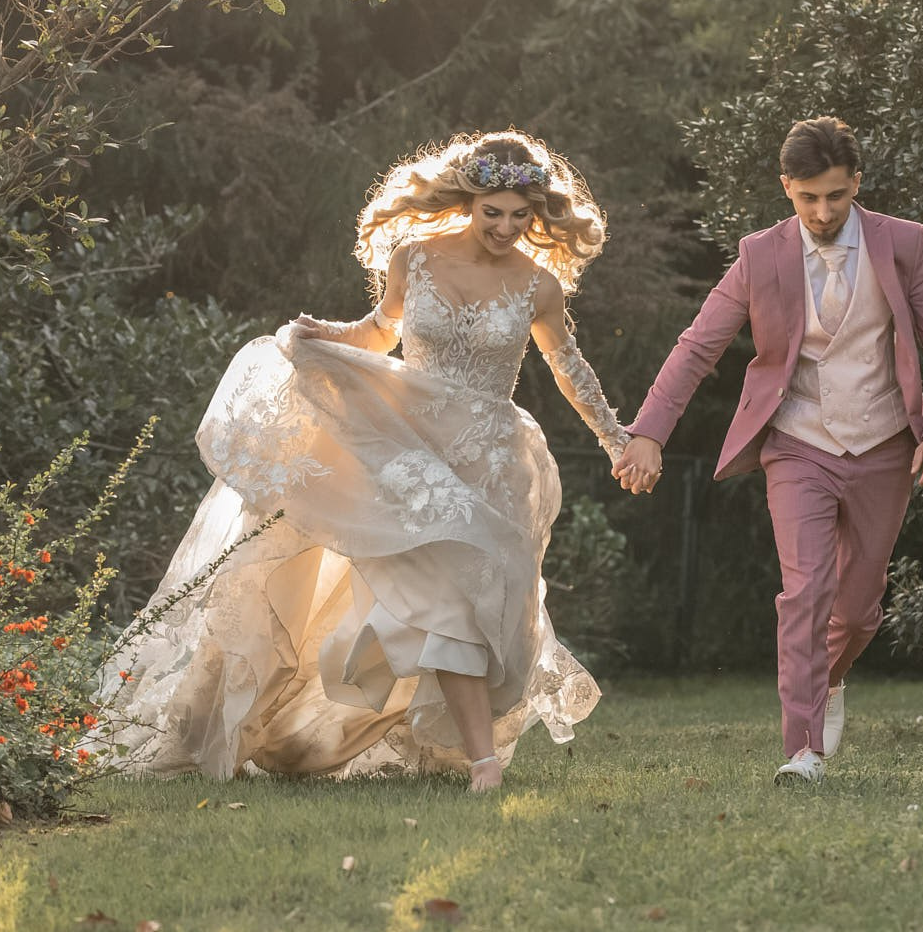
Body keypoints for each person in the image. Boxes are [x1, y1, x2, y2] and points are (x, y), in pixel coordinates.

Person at [91, 131, 628, 792]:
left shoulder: (537, 285)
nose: (507, 228)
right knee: (445, 600)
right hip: (411, 447)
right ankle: (483, 763)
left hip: (488, 461)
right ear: (470, 200)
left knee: (483, 612)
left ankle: (427, 736)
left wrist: (616, 438)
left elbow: (569, 368)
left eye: (522, 216)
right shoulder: (417, 258)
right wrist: (325, 337)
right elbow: (381, 330)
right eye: (494, 212)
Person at [613, 117, 923, 784]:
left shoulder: (904, 244)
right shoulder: (760, 256)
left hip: (884, 442)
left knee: (859, 608)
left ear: (856, 183)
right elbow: (699, 346)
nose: (823, 211)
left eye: (835, 195)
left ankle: (830, 679)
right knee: (805, 590)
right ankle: (803, 751)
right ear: (787, 189)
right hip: (797, 443)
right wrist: (649, 431)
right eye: (808, 198)